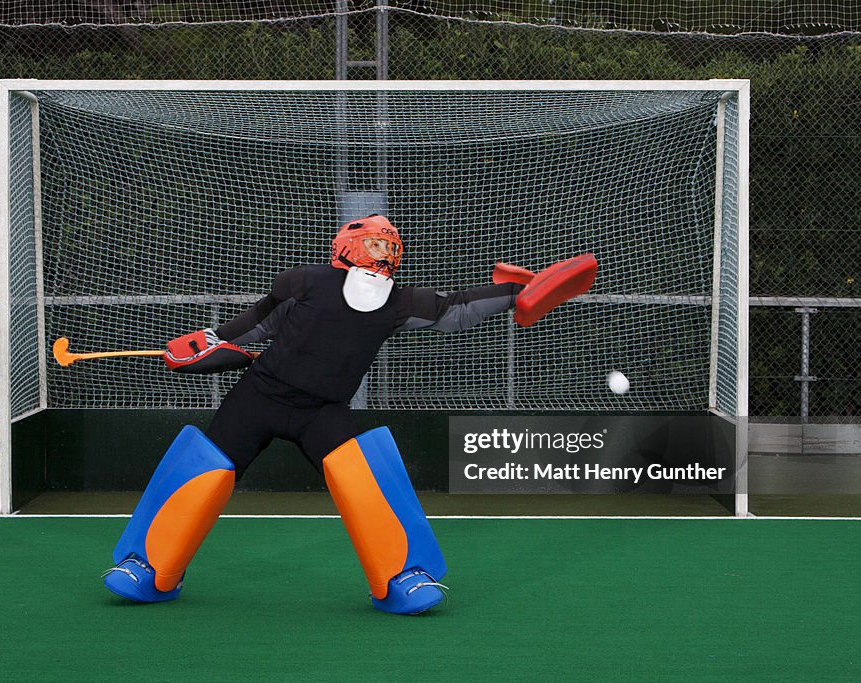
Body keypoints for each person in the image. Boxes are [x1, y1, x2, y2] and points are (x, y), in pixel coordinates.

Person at [102, 214, 596, 615]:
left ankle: (400, 576)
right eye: (374, 244)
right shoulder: (304, 281)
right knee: (206, 468)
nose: (381, 253)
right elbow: (252, 328)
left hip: (322, 411)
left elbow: (457, 309)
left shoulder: (398, 302)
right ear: (345, 247)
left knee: (362, 477)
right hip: (259, 397)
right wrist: (205, 345)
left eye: (388, 246)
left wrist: (518, 294)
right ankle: (148, 567)